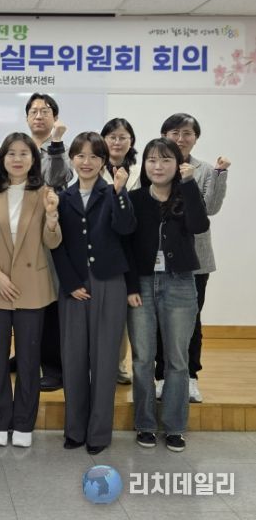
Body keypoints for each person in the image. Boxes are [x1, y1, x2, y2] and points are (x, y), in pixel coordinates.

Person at [0, 133, 61, 448]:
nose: (18, 159)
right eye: (11, 153)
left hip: (32, 288)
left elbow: (52, 242)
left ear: (34, 159)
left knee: (28, 359)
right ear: (3, 159)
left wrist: (52, 218)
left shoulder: (45, 193)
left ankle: (24, 423)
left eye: (24, 153)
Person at [52, 132, 135, 455]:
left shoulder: (113, 192)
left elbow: (126, 229)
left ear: (103, 161)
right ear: (72, 159)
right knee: (73, 358)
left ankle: (99, 433)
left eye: (94, 156)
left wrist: (120, 191)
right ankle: (74, 429)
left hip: (109, 283)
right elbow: (56, 245)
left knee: (104, 360)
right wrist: (70, 283)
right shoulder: (62, 197)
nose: (87, 162)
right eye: (81, 156)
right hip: (73, 286)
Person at [126, 138, 209, 452]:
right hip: (143, 284)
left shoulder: (187, 195)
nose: (158, 166)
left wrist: (188, 184)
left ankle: (175, 427)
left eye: (165, 160)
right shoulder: (135, 198)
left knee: (177, 359)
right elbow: (126, 246)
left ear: (178, 164)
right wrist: (131, 287)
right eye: (151, 160)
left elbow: (199, 225)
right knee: (142, 358)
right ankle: (145, 424)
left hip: (180, 283)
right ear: (144, 165)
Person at [157, 113, 230, 403]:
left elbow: (210, 208)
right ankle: (161, 376)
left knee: (191, 320)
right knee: (160, 320)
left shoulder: (204, 170)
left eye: (187, 133)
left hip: (195, 259)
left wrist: (220, 174)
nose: (180, 138)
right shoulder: (155, 164)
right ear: (164, 135)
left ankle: (189, 377)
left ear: (196, 138)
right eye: (174, 132)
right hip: (160, 257)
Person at [23, 93, 73, 391]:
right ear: (27, 117)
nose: (39, 115)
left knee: (50, 302)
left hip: (50, 235)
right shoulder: (19, 147)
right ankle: (27, 357)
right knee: (25, 303)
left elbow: (57, 177)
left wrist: (55, 143)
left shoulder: (61, 149)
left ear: (55, 117)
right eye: (34, 111)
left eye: (45, 110)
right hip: (21, 238)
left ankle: (53, 368)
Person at [100, 117, 141, 386]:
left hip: (133, 247)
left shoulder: (140, 171)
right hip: (103, 246)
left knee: (124, 314)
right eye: (112, 137)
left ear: (131, 141)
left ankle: (118, 366)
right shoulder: (93, 167)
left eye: (122, 137)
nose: (117, 142)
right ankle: (97, 366)